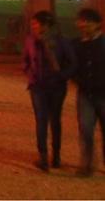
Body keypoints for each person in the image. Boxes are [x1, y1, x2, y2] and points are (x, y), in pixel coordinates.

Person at [23, 10, 75, 171]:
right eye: (32, 24)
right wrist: (29, 73)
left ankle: (56, 155)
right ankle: (43, 156)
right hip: (38, 86)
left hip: (56, 86)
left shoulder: (61, 41)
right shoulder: (31, 41)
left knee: (55, 120)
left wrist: (61, 76)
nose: (34, 27)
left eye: (36, 24)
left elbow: (72, 63)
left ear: (46, 25)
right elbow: (26, 60)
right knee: (41, 121)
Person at [73, 7, 105, 177]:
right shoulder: (77, 44)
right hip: (85, 93)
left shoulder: (103, 43)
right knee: (85, 129)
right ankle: (87, 163)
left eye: (87, 22)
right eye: (81, 21)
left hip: (103, 93)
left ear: (97, 24)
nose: (83, 25)